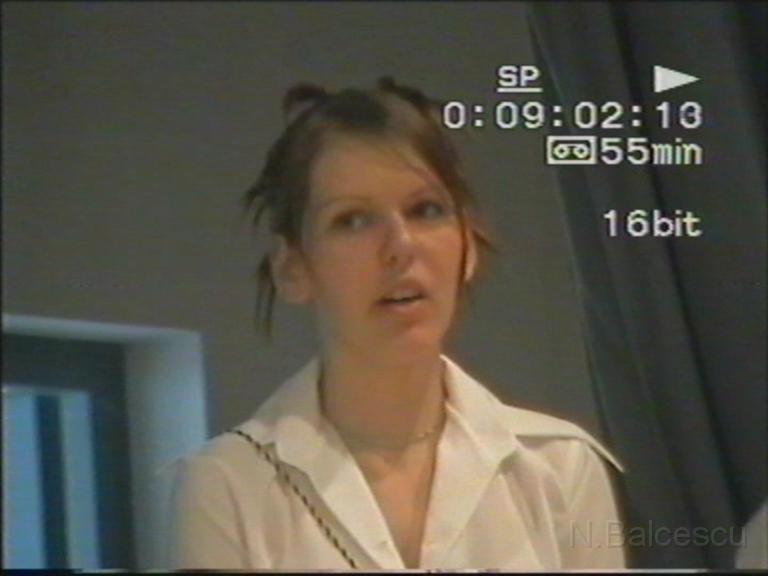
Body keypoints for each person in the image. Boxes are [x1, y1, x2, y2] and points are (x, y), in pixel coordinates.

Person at [169, 77, 627, 570]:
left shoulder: (559, 467)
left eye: (425, 210)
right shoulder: (227, 484)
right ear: (293, 268)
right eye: (352, 220)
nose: (401, 246)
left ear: (468, 245)